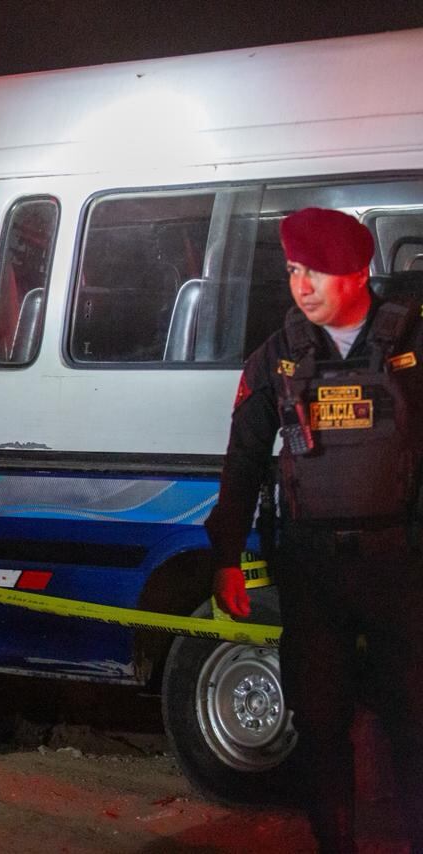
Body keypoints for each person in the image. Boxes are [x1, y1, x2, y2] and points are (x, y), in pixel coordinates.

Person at [207, 207, 423, 852]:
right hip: (312, 577)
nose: (301, 286)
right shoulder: (276, 358)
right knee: (320, 726)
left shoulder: (414, 346)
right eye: (295, 270)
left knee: (413, 722)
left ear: (359, 273)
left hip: (402, 572)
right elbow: (243, 462)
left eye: (317, 273)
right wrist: (224, 559)